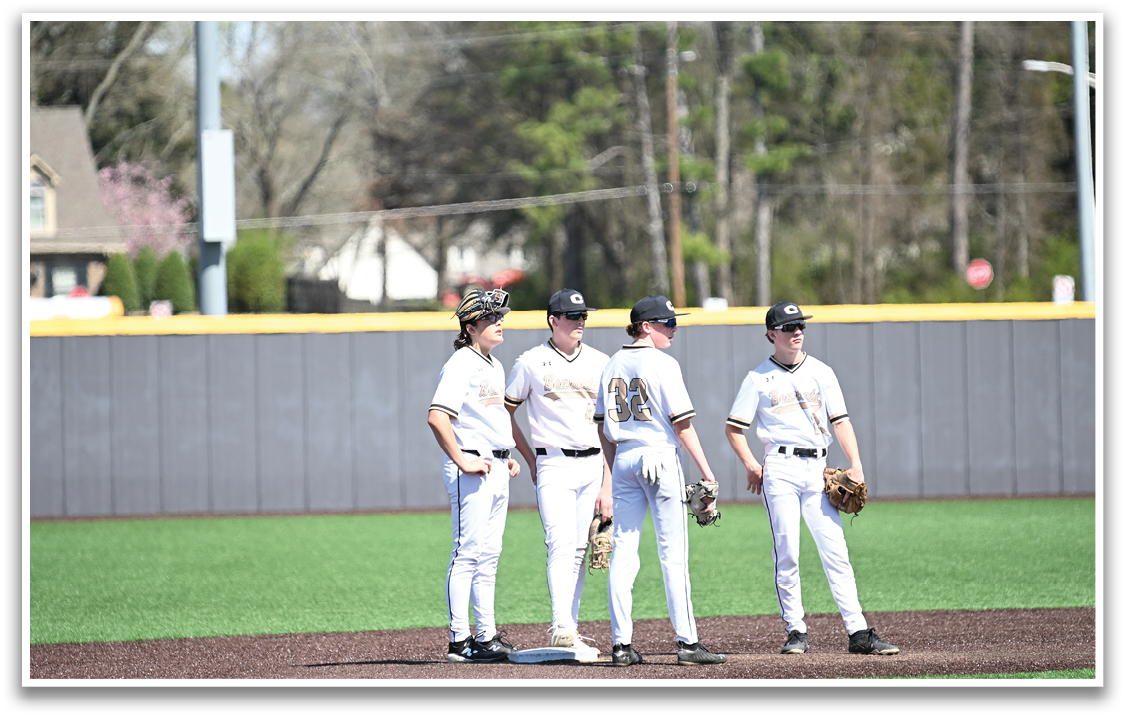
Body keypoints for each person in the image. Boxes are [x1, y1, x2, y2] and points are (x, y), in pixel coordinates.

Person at [724, 301, 899, 656]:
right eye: (789, 327)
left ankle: (858, 632)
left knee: (836, 551)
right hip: (781, 469)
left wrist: (856, 463)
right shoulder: (757, 378)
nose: (797, 331)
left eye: (801, 325)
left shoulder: (822, 371)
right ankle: (795, 630)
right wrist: (751, 464)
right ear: (772, 334)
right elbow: (733, 428)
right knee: (787, 551)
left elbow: (841, 420)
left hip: (818, 470)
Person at [594, 295, 728, 667]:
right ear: (645, 326)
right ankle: (687, 643)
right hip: (658, 456)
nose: (673, 328)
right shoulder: (663, 363)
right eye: (667, 322)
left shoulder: (611, 363)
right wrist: (708, 472)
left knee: (623, 550)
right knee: (673, 554)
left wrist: (610, 474)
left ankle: (621, 646)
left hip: (625, 459)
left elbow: (604, 428)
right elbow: (682, 425)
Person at [504, 289, 613, 653]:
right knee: (561, 543)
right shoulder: (531, 362)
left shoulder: (601, 361)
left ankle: (570, 627)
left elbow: (609, 429)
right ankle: (560, 625)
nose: (580, 322)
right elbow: (504, 412)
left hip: (593, 463)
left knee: (581, 548)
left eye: (583, 316)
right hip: (552, 462)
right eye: (572, 316)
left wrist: (607, 482)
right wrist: (529, 457)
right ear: (553, 320)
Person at [427, 288, 522, 663]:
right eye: (491, 318)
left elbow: (491, 419)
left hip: (496, 466)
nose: (499, 323)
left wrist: (506, 455)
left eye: (500, 316)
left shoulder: (493, 364)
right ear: (470, 326)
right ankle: (459, 640)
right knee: (467, 552)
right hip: (473, 469)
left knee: (489, 554)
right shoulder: (461, 362)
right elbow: (437, 417)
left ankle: (486, 636)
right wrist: (464, 459)